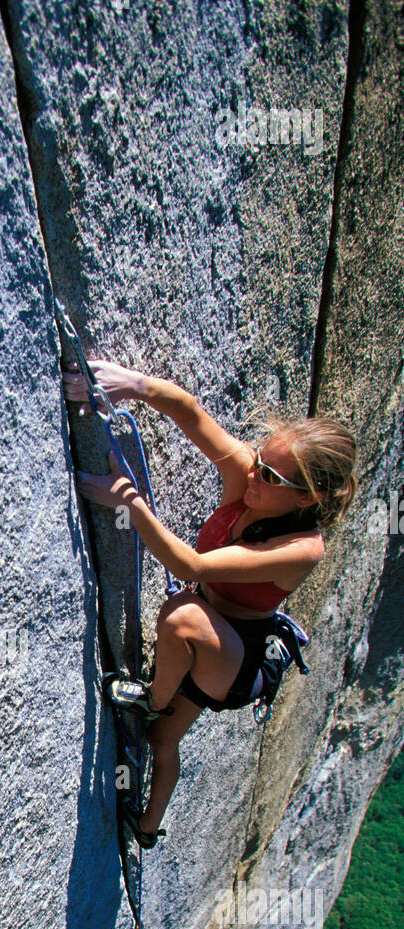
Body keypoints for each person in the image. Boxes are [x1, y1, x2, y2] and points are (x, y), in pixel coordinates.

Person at [63, 360, 357, 849]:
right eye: (260, 458)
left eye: (270, 475)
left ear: (307, 497)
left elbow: (192, 569)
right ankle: (149, 827)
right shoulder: (252, 480)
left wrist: (129, 504)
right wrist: (133, 386)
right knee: (161, 742)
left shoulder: (304, 548)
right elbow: (190, 411)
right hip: (215, 630)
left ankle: (151, 700)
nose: (254, 473)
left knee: (180, 616)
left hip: (239, 654)